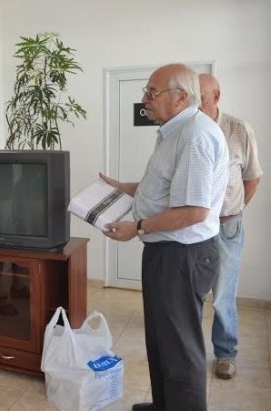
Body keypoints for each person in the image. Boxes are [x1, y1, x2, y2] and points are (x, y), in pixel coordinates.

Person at [101, 64, 228, 411]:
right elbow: (163, 188)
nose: (145, 100)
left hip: (182, 255)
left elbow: (194, 211)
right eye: (146, 91)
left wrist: (138, 227)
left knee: (180, 349)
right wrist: (122, 188)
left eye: (152, 93)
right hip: (167, 252)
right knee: (161, 341)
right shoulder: (173, 132)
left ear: (181, 97)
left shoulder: (195, 136)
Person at [199, 73, 263, 379]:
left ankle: (225, 353)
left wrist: (234, 211)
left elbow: (253, 177)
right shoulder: (186, 129)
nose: (194, 103)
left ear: (216, 96)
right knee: (191, 294)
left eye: (200, 97)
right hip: (193, 228)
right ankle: (189, 352)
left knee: (223, 295)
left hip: (227, 226)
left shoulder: (238, 129)